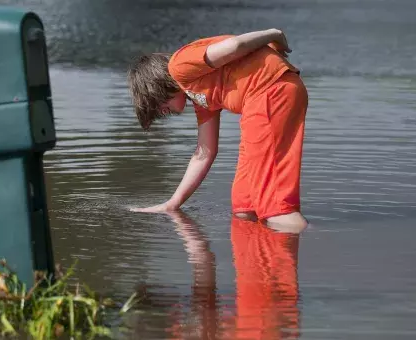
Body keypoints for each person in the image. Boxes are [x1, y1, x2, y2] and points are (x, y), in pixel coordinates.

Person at [127, 29, 309, 228]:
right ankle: (258, 257)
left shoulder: (179, 66)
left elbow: (235, 46)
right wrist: (172, 204)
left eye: (156, 105)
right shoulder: (199, 96)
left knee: (275, 207)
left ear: (156, 86)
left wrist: (273, 35)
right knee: (244, 206)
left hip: (270, 92)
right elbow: (205, 152)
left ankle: (317, 244)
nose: (161, 112)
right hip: (262, 99)